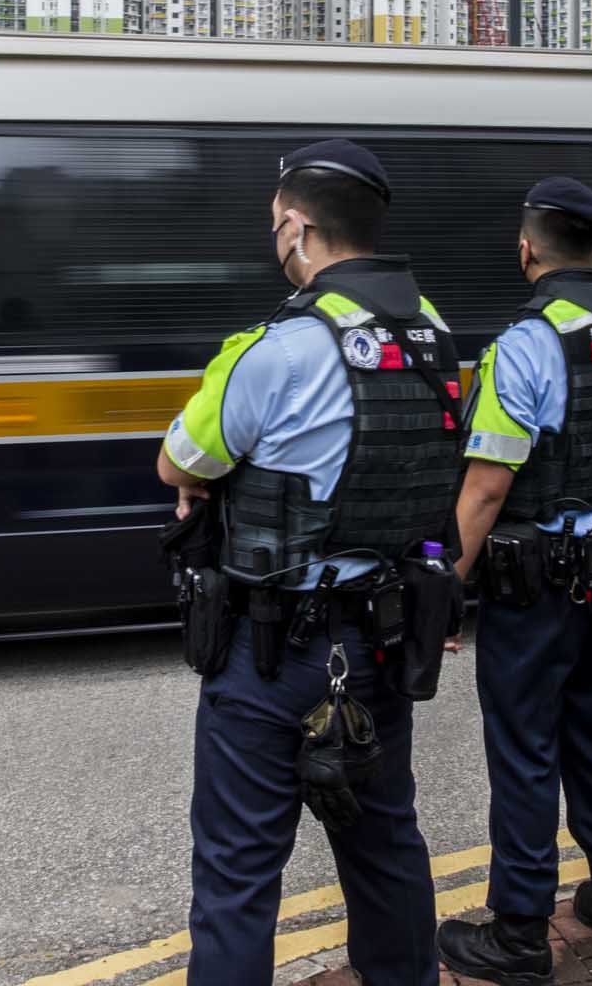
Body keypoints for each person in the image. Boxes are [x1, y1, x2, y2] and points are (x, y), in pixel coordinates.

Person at [158, 139, 462, 986]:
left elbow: (180, 463)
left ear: (296, 226)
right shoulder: (433, 337)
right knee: (385, 847)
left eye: (274, 225)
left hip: (270, 653)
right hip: (381, 641)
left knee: (238, 874)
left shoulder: (277, 347)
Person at [435, 177, 592, 984]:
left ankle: (520, 932)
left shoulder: (525, 345)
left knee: (527, 748)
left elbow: (487, 486)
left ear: (528, 248)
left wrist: (446, 590)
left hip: (534, 587)